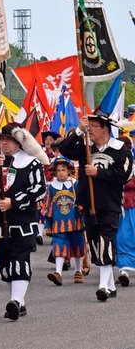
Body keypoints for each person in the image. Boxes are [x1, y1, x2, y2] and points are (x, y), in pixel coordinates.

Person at [0, 123, 48, 320]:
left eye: (8, 139)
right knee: (5, 260)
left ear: (18, 142)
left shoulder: (31, 162)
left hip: (22, 220)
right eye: (2, 139)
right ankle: (18, 302)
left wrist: (14, 202)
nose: (4, 142)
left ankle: (15, 301)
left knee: (20, 258)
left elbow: (39, 189)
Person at [59, 114, 133, 301]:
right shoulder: (85, 147)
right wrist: (78, 130)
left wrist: (98, 172)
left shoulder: (119, 149)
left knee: (105, 240)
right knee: (94, 242)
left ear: (105, 128)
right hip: (89, 203)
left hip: (110, 203)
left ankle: (102, 286)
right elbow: (65, 150)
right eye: (88, 126)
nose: (90, 129)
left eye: (93, 126)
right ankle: (109, 286)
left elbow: (123, 175)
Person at [43, 156, 85, 285]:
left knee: (77, 245)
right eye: (58, 170)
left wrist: (82, 213)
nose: (61, 172)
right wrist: (48, 223)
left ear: (69, 171)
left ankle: (78, 270)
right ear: (55, 172)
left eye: (63, 170)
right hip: (58, 223)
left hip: (75, 222)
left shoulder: (76, 184)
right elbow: (48, 205)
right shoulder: (52, 187)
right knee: (58, 246)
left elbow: (82, 201)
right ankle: (58, 273)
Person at [117, 135, 135, 287]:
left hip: (132, 206)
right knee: (122, 238)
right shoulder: (114, 164)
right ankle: (123, 271)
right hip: (117, 206)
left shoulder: (133, 165)